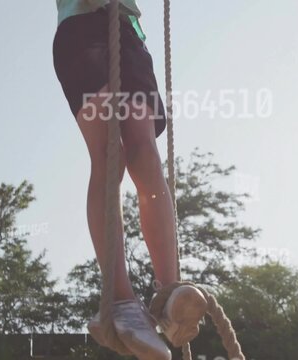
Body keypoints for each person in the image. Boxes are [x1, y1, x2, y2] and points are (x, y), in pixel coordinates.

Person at [52, 1, 207, 359]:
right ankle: (121, 300)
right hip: (81, 27)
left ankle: (170, 294)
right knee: (109, 157)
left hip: (129, 32)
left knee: (144, 155)